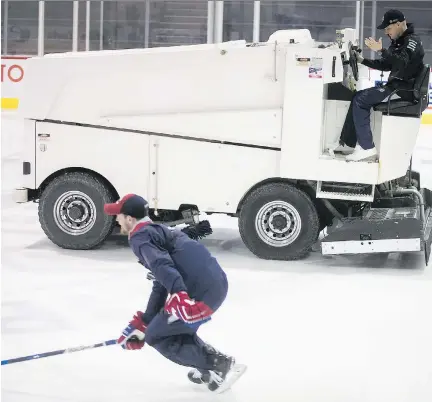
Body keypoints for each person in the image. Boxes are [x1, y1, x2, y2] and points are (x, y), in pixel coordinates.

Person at [103, 193, 243, 392]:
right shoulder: (157, 230)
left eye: (118, 215)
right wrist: (146, 320)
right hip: (213, 284)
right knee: (170, 327)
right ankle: (208, 364)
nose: (116, 219)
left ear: (130, 219)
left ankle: (217, 365)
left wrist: (179, 295)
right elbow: (161, 280)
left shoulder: (139, 237)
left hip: (199, 293)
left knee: (157, 335)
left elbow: (162, 265)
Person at [338, 9, 425, 162]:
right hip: (397, 87)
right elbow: (387, 64)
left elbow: (401, 62)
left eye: (388, 28)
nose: (386, 32)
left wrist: (382, 51)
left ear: (398, 24)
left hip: (404, 90)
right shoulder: (400, 41)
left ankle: (366, 147)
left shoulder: (412, 41)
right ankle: (349, 144)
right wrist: (363, 60)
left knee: (361, 99)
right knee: (359, 96)